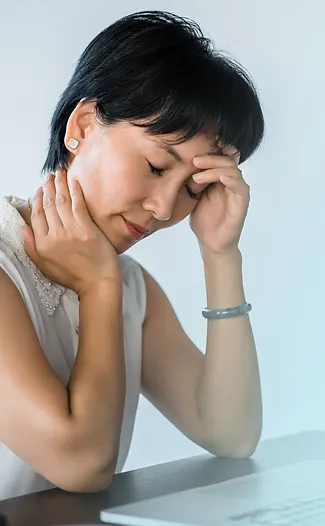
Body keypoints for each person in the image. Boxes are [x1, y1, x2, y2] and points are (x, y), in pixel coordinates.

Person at [0, 10, 264, 500]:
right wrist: (99, 288)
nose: (164, 208)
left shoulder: (132, 287)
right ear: (82, 124)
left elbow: (231, 433)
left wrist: (221, 253)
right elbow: (82, 464)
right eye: (155, 164)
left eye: (192, 188)